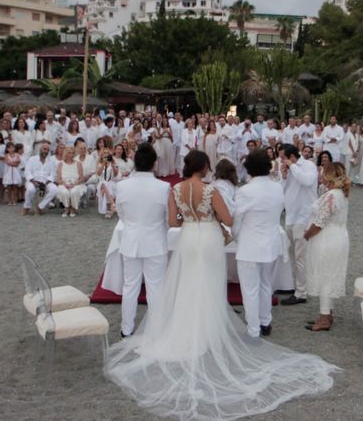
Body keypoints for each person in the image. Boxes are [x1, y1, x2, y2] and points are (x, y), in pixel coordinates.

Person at [105, 149, 339, 421]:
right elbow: (229, 220)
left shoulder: (176, 189)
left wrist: (188, 218)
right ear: (204, 167)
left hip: (189, 239)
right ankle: (213, 329)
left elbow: (172, 222)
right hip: (209, 240)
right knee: (210, 284)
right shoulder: (211, 191)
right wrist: (215, 219)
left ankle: (171, 327)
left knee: (187, 282)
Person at [113, 143, 170, 337]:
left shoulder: (122, 185)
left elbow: (121, 213)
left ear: (135, 163)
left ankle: (126, 328)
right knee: (155, 286)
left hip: (131, 239)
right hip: (155, 241)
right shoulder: (163, 187)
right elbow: (168, 217)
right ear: (154, 163)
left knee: (130, 286)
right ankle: (157, 327)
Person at [233, 148, 285, 338]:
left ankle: (253, 329)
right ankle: (265, 321)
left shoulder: (244, 191)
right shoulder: (278, 187)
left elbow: (237, 219)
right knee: (265, 285)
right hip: (270, 242)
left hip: (249, 244)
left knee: (250, 289)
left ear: (248, 169)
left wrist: (236, 236)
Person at [304, 162, 350, 332]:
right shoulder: (340, 193)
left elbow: (319, 222)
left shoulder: (332, 195)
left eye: (323, 174)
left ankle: (324, 318)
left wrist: (307, 234)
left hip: (328, 239)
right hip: (338, 236)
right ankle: (327, 313)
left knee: (325, 277)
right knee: (329, 276)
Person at [278, 143, 318, 306]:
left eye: (282, 157)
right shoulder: (288, 168)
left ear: (292, 156)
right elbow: (282, 191)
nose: (280, 160)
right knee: (292, 255)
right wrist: (284, 176)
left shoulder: (309, 166)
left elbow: (307, 181)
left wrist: (293, 167)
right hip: (291, 216)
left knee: (301, 257)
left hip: (304, 217)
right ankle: (295, 286)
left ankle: (302, 292)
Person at [22, 141, 58, 215]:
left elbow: (53, 175)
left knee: (55, 189)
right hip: (33, 181)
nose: (46, 151)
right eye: (44, 149)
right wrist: (34, 182)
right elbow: (27, 172)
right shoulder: (32, 159)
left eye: (47, 150)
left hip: (46, 181)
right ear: (40, 149)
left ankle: (40, 207)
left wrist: (46, 183)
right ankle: (27, 206)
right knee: (30, 189)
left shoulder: (51, 161)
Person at [56, 146, 85, 217]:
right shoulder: (61, 164)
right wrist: (64, 183)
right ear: (66, 153)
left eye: (72, 153)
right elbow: (58, 178)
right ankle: (66, 208)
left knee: (74, 191)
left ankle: (73, 208)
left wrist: (74, 184)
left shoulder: (78, 163)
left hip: (76, 183)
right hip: (64, 183)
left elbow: (81, 178)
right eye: (69, 153)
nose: (71, 155)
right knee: (64, 191)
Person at [96, 147, 121, 218]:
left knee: (107, 186)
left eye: (107, 153)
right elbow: (98, 173)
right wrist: (104, 163)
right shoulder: (99, 163)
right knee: (104, 184)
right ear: (102, 155)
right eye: (104, 153)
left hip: (110, 183)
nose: (106, 155)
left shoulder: (113, 162)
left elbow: (116, 174)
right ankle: (112, 204)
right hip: (101, 183)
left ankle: (109, 209)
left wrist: (112, 164)